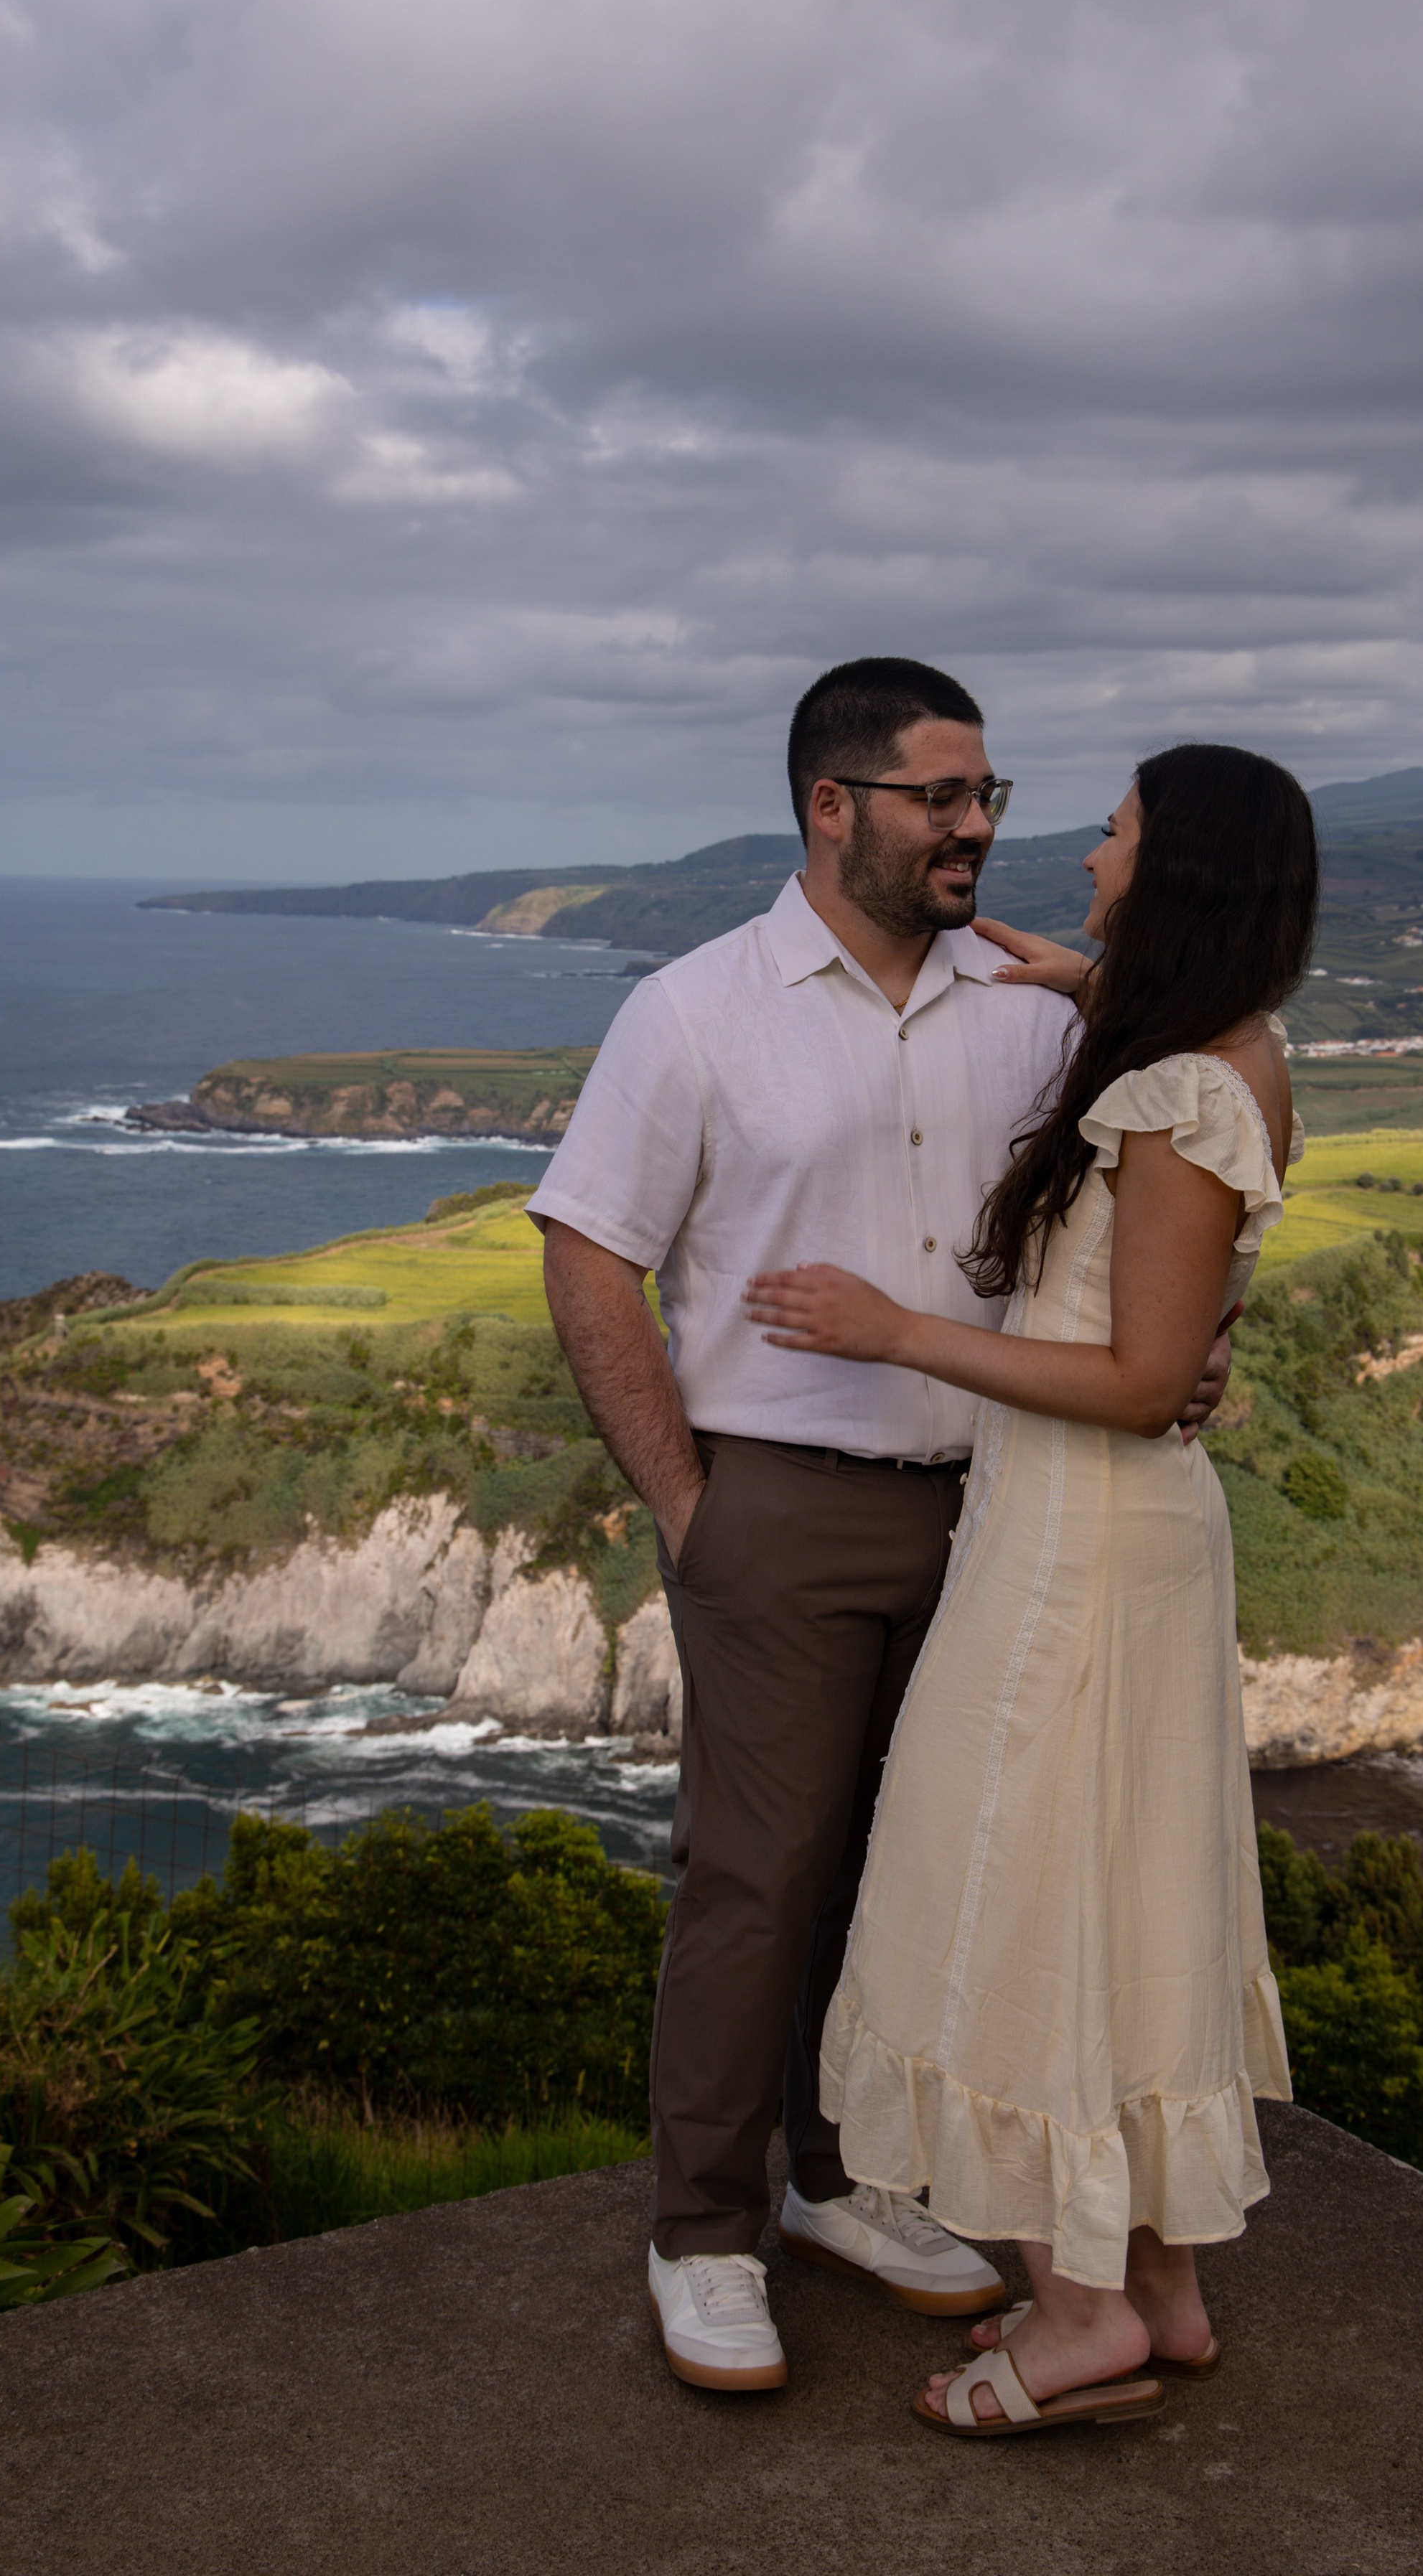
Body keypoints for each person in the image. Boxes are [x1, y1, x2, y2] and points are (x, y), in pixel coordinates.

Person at [529, 660, 1236, 2394]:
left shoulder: (1038, 1011)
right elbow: (586, 1248)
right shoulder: (691, 1011)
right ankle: (703, 2229)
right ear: (831, 806)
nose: (980, 827)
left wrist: (1191, 1354)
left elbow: (1182, 1174)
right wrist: (689, 1506)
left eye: (989, 794)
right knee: (756, 1878)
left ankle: (845, 2181)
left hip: (1005, 1512)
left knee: (915, 1876)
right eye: (943, 796)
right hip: (777, 1503)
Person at [741, 740, 1315, 2438]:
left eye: (1117, 836)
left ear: (1181, 867)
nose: (1080, 861)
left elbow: (1140, 1376)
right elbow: (1169, 1331)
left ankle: (1074, 2318)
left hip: (1078, 1537)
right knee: (1129, 1894)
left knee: (1028, 1892)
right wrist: (1059, 974)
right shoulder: (1235, 1057)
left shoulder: (1172, 1099)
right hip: (1113, 1536)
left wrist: (898, 1329)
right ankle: (1160, 2291)